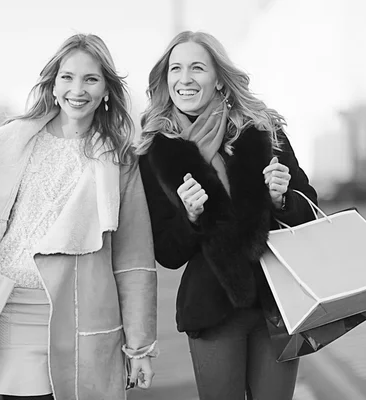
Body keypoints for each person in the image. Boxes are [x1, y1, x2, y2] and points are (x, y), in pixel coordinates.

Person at [0, 33, 157, 400]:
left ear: (106, 89)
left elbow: (134, 259)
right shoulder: (10, 140)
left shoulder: (120, 161)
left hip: (81, 320)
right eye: (67, 77)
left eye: (91, 79)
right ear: (53, 84)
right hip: (7, 315)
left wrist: (139, 348)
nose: (78, 89)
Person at [135, 30, 318, 400]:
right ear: (165, 78)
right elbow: (167, 253)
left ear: (218, 78)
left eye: (197, 68)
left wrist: (282, 199)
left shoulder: (263, 131)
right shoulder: (155, 150)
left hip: (277, 302)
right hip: (212, 309)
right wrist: (190, 216)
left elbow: (310, 212)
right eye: (175, 69)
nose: (184, 79)